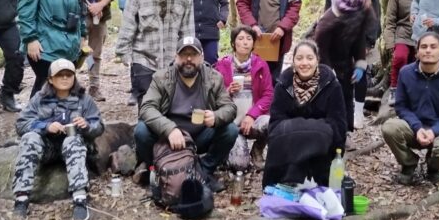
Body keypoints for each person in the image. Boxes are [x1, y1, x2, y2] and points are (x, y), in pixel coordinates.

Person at [134, 37, 238, 193]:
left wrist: (216, 116)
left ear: (202, 57)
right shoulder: (162, 77)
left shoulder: (213, 77)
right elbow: (147, 107)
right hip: (168, 139)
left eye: (193, 55)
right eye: (183, 55)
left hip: (199, 136)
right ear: (176, 57)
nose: (188, 59)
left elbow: (230, 108)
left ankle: (203, 170)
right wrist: (169, 129)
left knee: (230, 130)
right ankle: (157, 169)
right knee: (141, 130)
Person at [10, 59, 104, 220]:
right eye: (60, 75)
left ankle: (80, 199)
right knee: (29, 138)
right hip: (48, 149)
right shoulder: (40, 98)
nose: (65, 78)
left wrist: (87, 125)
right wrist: (45, 126)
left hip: (76, 148)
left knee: (73, 140)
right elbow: (21, 124)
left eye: (69, 75)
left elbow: (99, 126)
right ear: (50, 79)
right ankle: (21, 199)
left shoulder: (84, 99)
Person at [381, 32, 439, 185]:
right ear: (417, 52)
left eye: (433, 47)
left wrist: (434, 131)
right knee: (389, 128)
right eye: (424, 47)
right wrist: (417, 127)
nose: (428, 51)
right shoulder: (406, 73)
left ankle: (433, 166)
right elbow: (401, 106)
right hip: (413, 128)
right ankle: (409, 163)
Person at [115, 0, 195, 106]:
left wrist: (189, 54)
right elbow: (129, 21)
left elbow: (187, 27)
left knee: (172, 105)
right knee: (146, 106)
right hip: (143, 57)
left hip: (173, 58)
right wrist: (124, 53)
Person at [262, 41, 347, 188]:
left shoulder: (331, 84)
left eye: (309, 58)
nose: (304, 63)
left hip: (322, 150)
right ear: (293, 61)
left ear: (317, 60)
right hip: (289, 150)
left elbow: (338, 124)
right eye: (299, 58)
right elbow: (275, 125)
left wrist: (337, 155)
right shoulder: (283, 85)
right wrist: (315, 127)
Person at [18, 0, 89, 99]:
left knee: (64, 86)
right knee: (46, 83)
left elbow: (81, 15)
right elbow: (25, 12)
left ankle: (60, 120)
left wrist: (83, 37)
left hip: (69, 46)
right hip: (44, 46)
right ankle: (32, 120)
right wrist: (30, 39)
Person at [315, 0, 378, 137]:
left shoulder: (360, 14)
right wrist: (329, 72)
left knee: (346, 95)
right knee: (330, 98)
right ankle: (329, 133)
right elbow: (321, 49)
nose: (369, 2)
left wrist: (360, 64)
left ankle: (346, 131)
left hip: (345, 61)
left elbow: (358, 40)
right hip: (325, 61)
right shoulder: (329, 20)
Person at [214, 25, 273, 171]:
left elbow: (268, 94)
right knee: (239, 166)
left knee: (273, 122)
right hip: (231, 124)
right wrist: (227, 92)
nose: (245, 42)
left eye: (249, 39)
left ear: (253, 43)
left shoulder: (261, 65)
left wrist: (252, 115)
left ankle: (257, 151)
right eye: (241, 38)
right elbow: (212, 95)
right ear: (233, 43)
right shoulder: (222, 65)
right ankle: (228, 152)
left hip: (252, 120)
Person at [384, 0, 425, 106]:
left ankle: (412, 93)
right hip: (403, 34)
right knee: (400, 58)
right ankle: (394, 88)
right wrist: (390, 43)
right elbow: (390, 22)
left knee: (417, 64)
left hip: (422, 35)